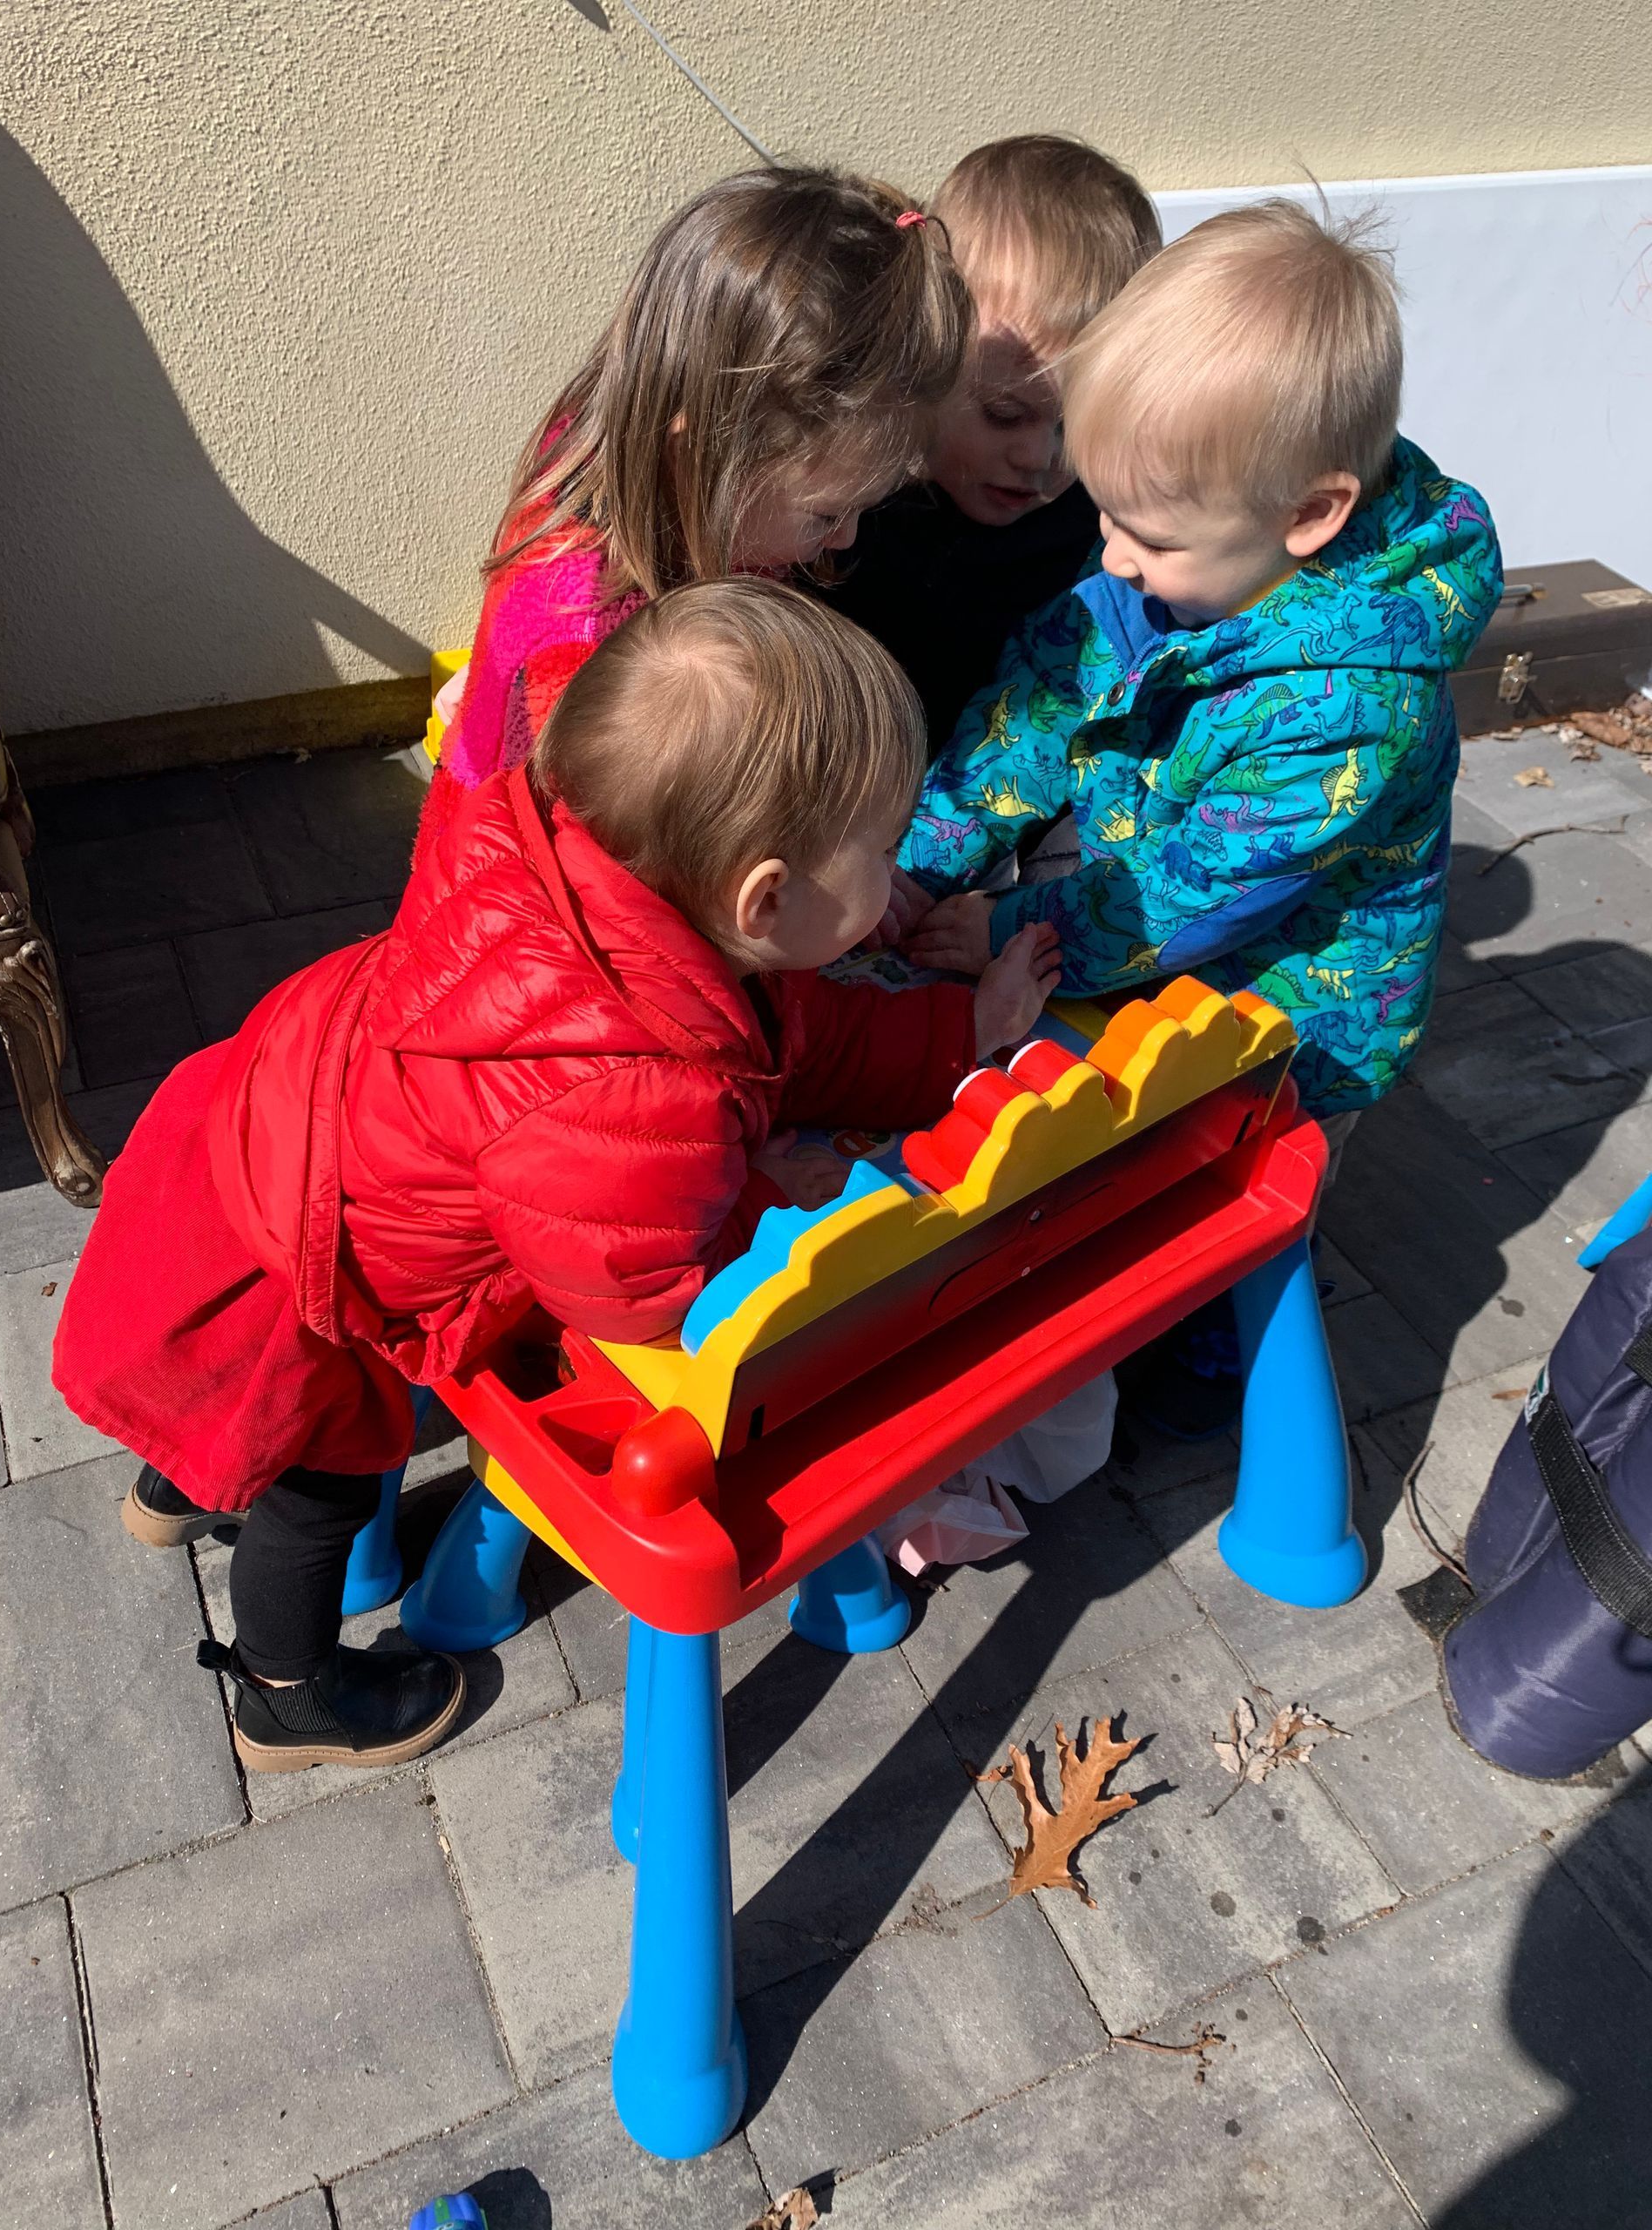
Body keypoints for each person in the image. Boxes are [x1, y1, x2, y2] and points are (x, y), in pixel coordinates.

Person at [52, 585, 1059, 1771]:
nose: (899, 878)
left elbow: (800, 1038)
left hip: (270, 1124)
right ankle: (287, 1695)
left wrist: (959, 1034)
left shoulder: (585, 869)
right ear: (764, 898)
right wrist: (765, 1196)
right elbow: (634, 1290)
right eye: (882, 852)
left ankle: (177, 1480)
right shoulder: (629, 1087)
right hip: (298, 1271)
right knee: (313, 1491)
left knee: (207, 1403)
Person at [893, 199, 1503, 1431]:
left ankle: (1235, 1327)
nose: (1109, 555)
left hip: (1308, 1000)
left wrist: (1013, 915)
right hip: (1157, 919)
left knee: (1255, 1175)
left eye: (1144, 534)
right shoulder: (1208, 542)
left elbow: (1198, 891)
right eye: (1102, 509)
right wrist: (919, 858)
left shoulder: (1350, 699)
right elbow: (1040, 701)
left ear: (1315, 514)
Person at [415, 165, 971, 863]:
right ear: (703, 451)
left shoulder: (644, 457)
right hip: (534, 895)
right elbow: (607, 880)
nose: (850, 537)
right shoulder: (587, 646)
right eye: (826, 514)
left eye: (866, 506)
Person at [820, 135, 1160, 752]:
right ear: (930, 350)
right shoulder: (852, 505)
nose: (1041, 459)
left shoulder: (1110, 531)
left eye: (1080, 426)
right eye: (1005, 414)